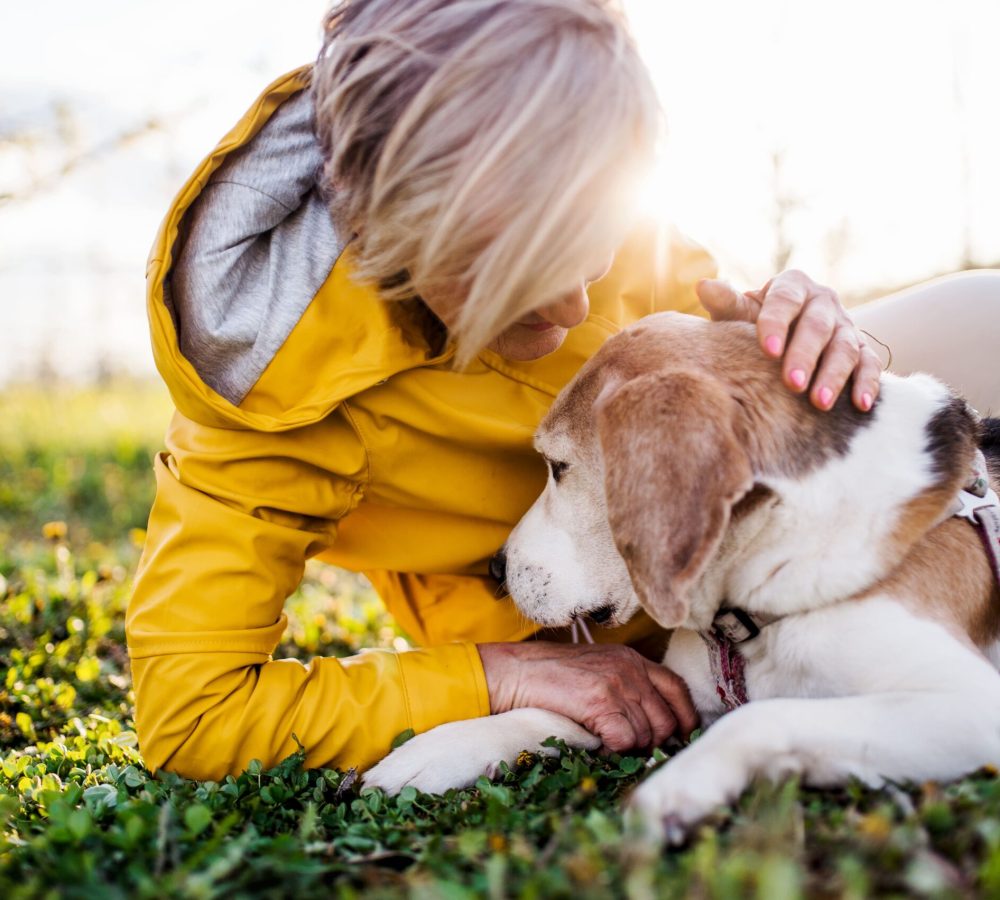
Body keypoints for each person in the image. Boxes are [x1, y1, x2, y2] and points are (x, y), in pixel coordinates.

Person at [126, 0, 1000, 782]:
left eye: (594, 248)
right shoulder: (264, 388)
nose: (579, 306)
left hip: (729, 534)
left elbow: (714, 376)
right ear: (383, 224)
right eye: (519, 279)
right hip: (567, 611)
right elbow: (193, 713)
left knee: (987, 311)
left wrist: (798, 342)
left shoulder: (576, 180)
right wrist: (501, 675)